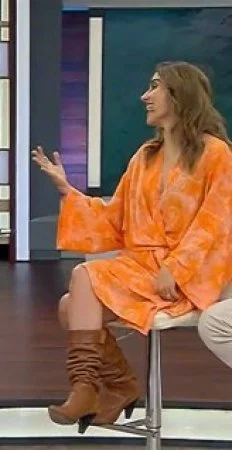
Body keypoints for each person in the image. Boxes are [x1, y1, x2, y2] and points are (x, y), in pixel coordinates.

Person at [32, 61, 232, 433]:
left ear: (180, 94)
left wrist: (176, 268)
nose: (145, 96)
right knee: (68, 307)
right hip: (142, 268)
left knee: (83, 277)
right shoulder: (145, 157)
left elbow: (215, 223)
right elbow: (115, 218)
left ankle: (91, 387)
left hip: (186, 275)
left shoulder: (215, 154)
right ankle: (114, 384)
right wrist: (67, 191)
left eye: (154, 87)